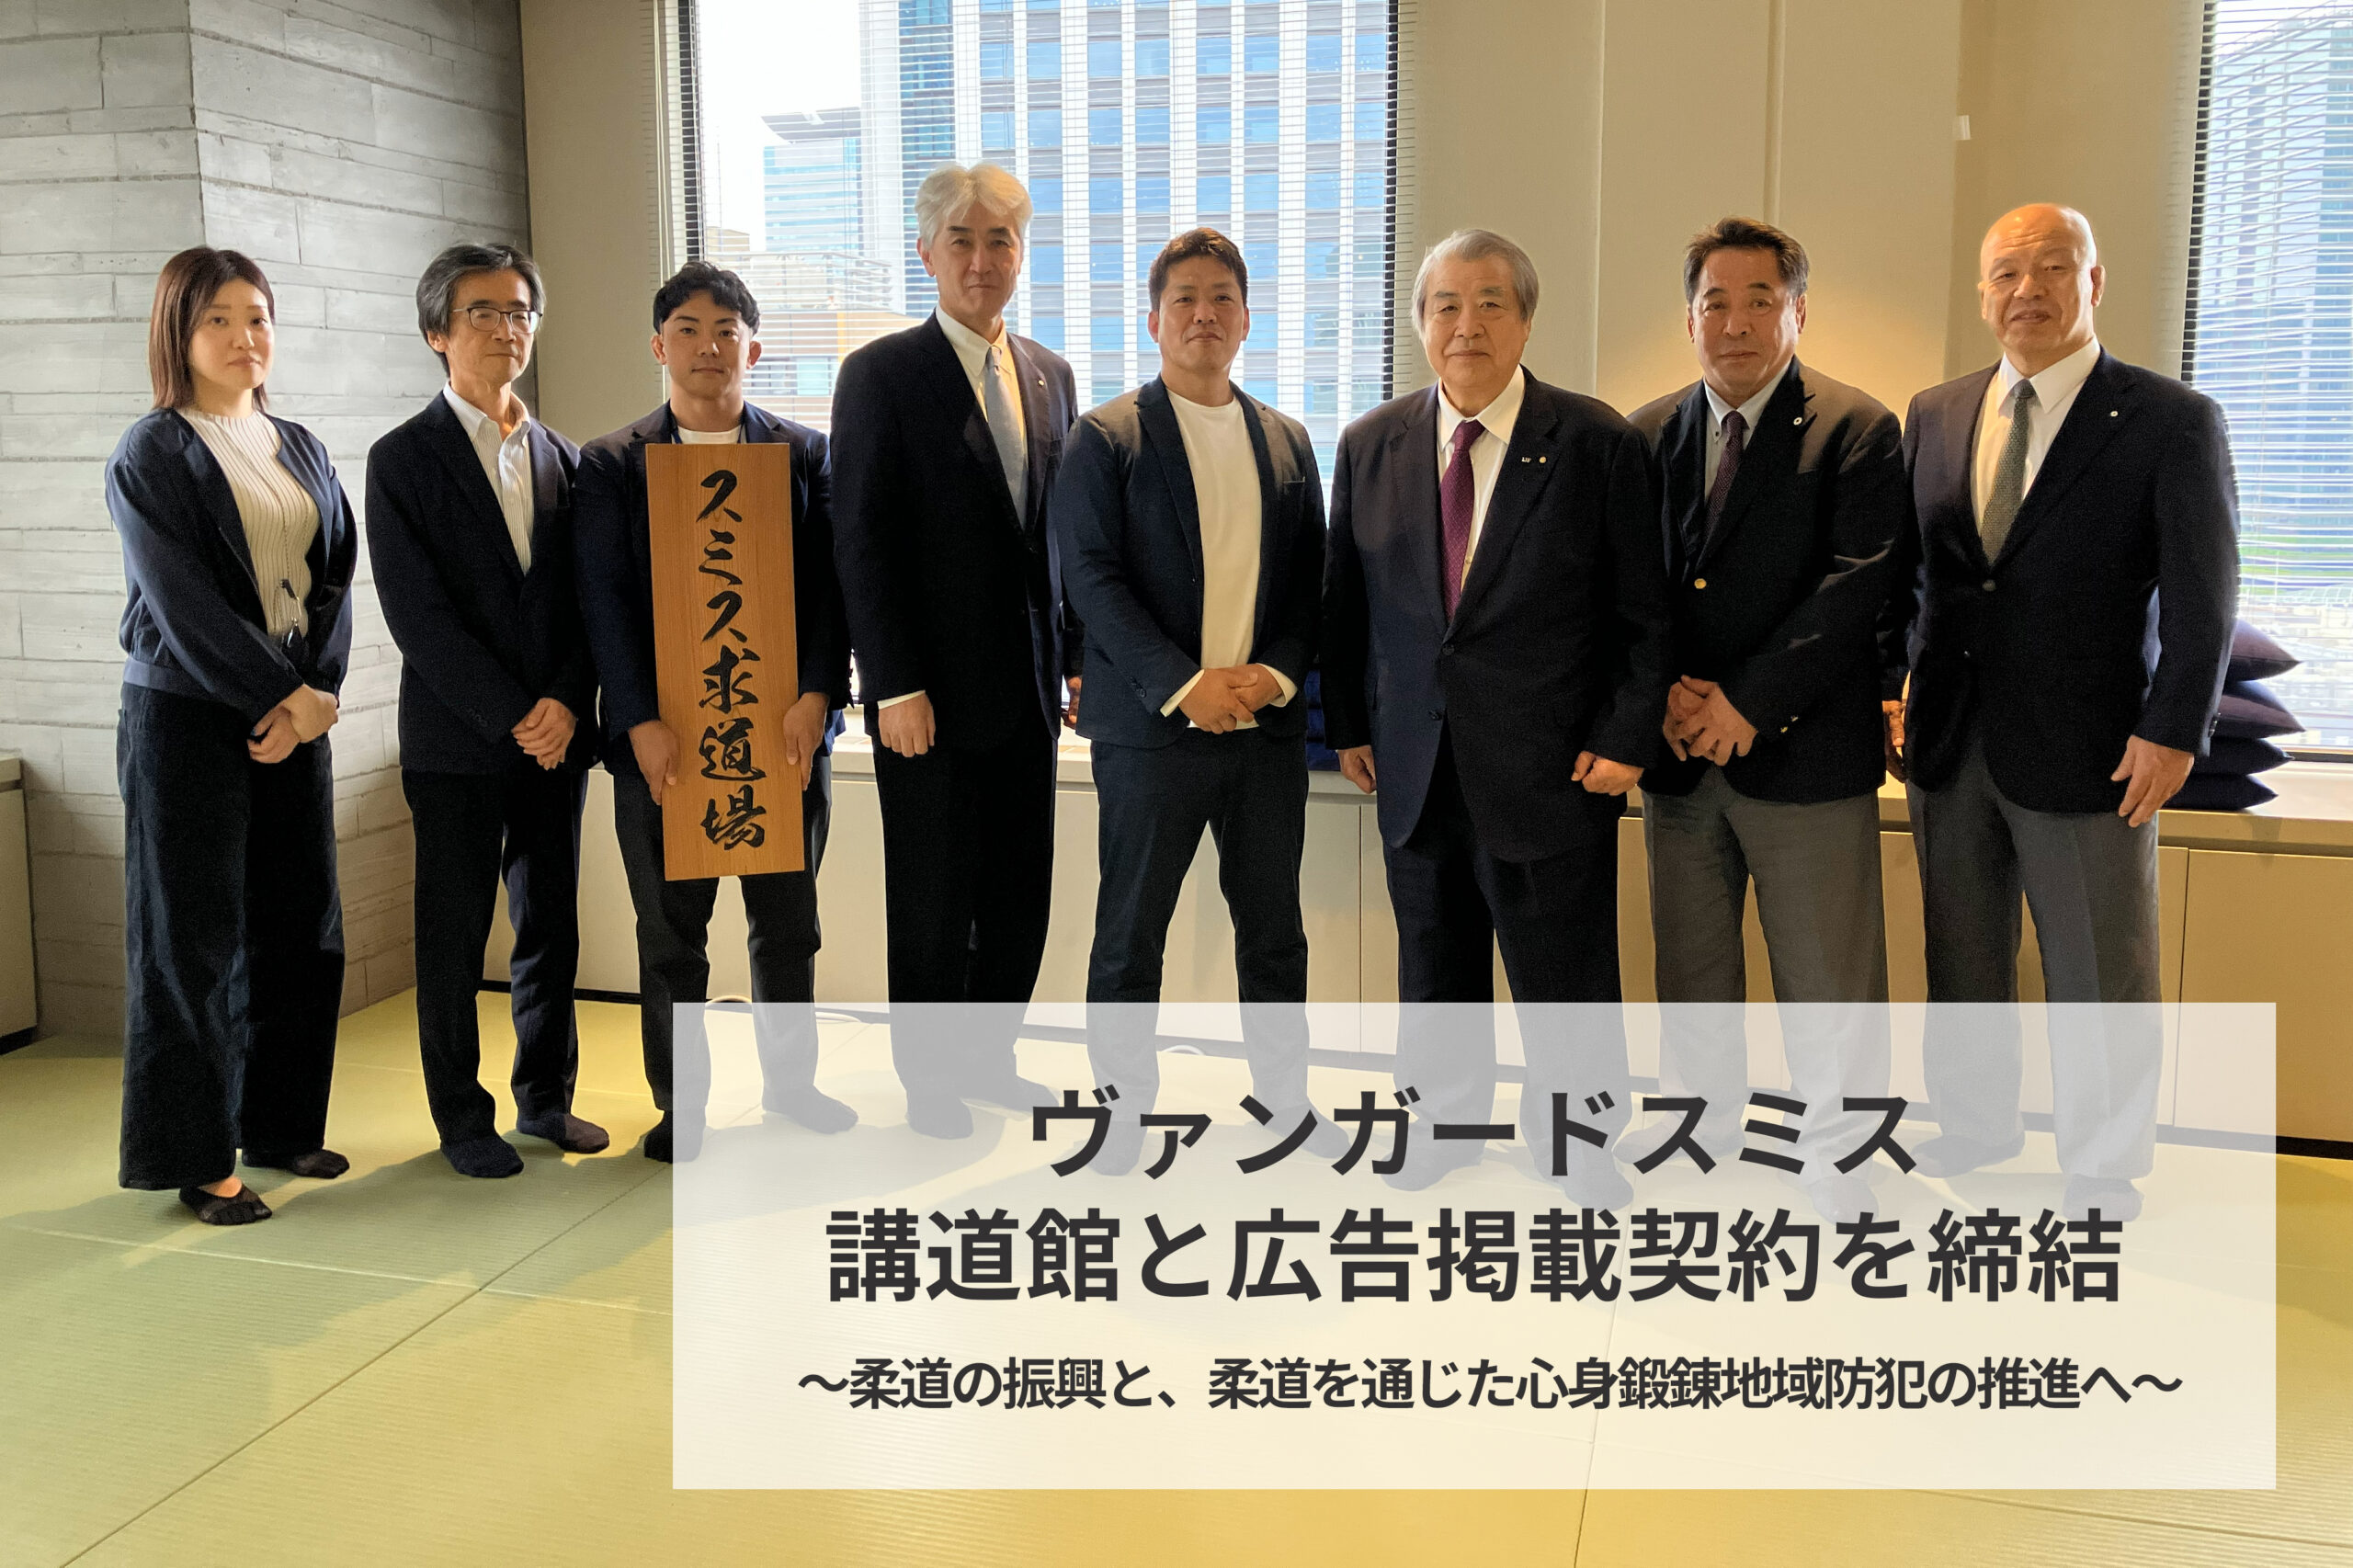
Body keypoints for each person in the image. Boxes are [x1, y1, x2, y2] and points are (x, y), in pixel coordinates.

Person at [1886, 203, 2238, 1221]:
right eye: (2006, 272)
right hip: (1950, 737)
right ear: (1982, 292)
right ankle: (1975, 1124)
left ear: (2093, 282)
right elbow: (1916, 574)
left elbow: (2206, 593)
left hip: (2096, 746)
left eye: (2052, 268)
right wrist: (1893, 684)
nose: (2027, 290)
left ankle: (2103, 1160)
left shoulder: (2169, 418)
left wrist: (2174, 729)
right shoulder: (1938, 410)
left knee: (2098, 966)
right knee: (1961, 953)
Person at [1322, 229, 1673, 1203]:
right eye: (1445, 304)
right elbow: (1345, 606)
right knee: (1433, 965)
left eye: (1489, 304)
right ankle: (1441, 1127)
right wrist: (1348, 723)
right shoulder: (1371, 443)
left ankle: (1579, 1143)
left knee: (1563, 973)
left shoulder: (1596, 442)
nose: (1465, 325)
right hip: (1415, 762)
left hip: (1553, 767)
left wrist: (1624, 737)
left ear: (1525, 321)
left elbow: (1644, 615)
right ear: (1419, 323)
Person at [1624, 218, 1909, 1221]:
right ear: (1689, 317)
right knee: (1692, 965)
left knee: (1827, 977)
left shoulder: (1857, 428)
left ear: (1798, 312)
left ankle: (1840, 1155)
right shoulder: (1646, 432)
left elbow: (1857, 585)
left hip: (1803, 754)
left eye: (1759, 300)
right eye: (1715, 302)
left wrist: (1747, 701)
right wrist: (1664, 693)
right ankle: (1698, 1129)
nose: (1735, 322)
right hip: (1680, 756)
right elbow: (1630, 587)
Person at [1053, 228, 1336, 1173]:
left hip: (1262, 733)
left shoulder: (1286, 440)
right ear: (1154, 320)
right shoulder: (1107, 438)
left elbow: (1312, 583)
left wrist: (1276, 675)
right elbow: (1090, 579)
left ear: (1247, 319)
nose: (1204, 314)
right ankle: (1122, 1118)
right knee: (1130, 934)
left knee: (1275, 933)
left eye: (1222, 298)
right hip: (1150, 734)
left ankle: (1285, 1102)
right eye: (1185, 298)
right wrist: (1183, 685)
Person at [574, 261, 856, 1162]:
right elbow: (603, 602)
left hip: (784, 735)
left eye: (726, 330)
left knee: (789, 928)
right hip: (664, 743)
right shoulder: (611, 463)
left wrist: (817, 692)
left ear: (754, 349)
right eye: (688, 330)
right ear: (659, 348)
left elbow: (832, 590)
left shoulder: (804, 453)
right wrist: (638, 721)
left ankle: (792, 1086)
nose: (708, 347)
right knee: (670, 937)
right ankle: (680, 1106)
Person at [105, 246, 358, 1223]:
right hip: (185, 716)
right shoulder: (152, 451)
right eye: (218, 319)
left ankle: (281, 1124)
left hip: (295, 711)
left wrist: (316, 692)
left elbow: (335, 579)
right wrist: (279, 696)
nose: (244, 336)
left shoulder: (299, 444)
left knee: (302, 927)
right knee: (190, 941)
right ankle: (196, 1158)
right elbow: (181, 604)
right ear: (178, 333)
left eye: (257, 317)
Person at [831, 162, 1077, 1139]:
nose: (982, 260)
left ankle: (989, 1057)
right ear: (926, 253)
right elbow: (862, 538)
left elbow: (1055, 536)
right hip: (924, 698)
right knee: (933, 897)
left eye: (1000, 241)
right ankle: (930, 1077)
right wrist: (891, 682)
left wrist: (1073, 660)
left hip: (1029, 692)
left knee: (1020, 892)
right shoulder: (881, 374)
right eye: (962, 241)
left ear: (1022, 254)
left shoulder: (1050, 373)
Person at [366, 244, 605, 1179]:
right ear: (437, 330)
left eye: (520, 312)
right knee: (455, 935)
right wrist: (514, 712)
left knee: (551, 927)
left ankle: (546, 1099)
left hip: (555, 740)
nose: (507, 328)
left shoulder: (566, 459)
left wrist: (564, 704)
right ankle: (462, 1118)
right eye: (483, 312)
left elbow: (588, 604)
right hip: (455, 741)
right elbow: (418, 616)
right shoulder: (400, 459)